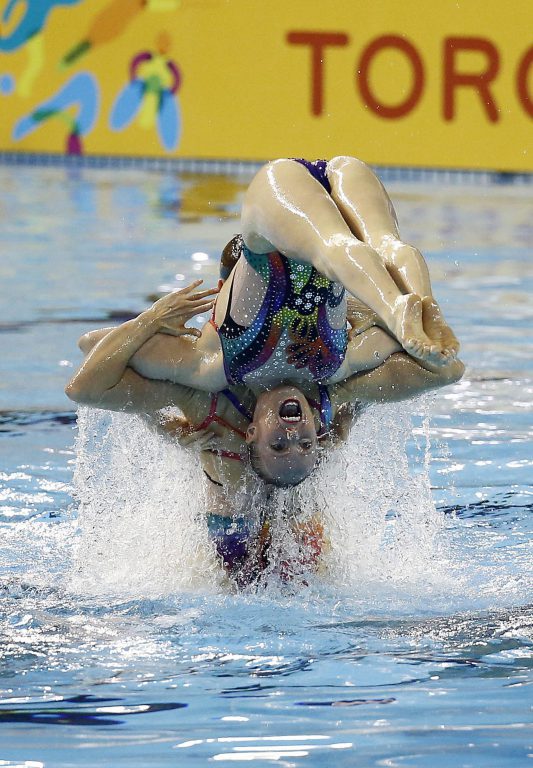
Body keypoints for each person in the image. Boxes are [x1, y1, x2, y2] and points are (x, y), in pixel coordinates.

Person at [66, 280, 464, 584]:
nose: (294, 431)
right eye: (304, 441)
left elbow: (94, 359)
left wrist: (152, 323)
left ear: (252, 433)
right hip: (268, 538)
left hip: (258, 540)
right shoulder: (319, 406)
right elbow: (442, 368)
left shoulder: (216, 408)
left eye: (281, 441)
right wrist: (365, 339)